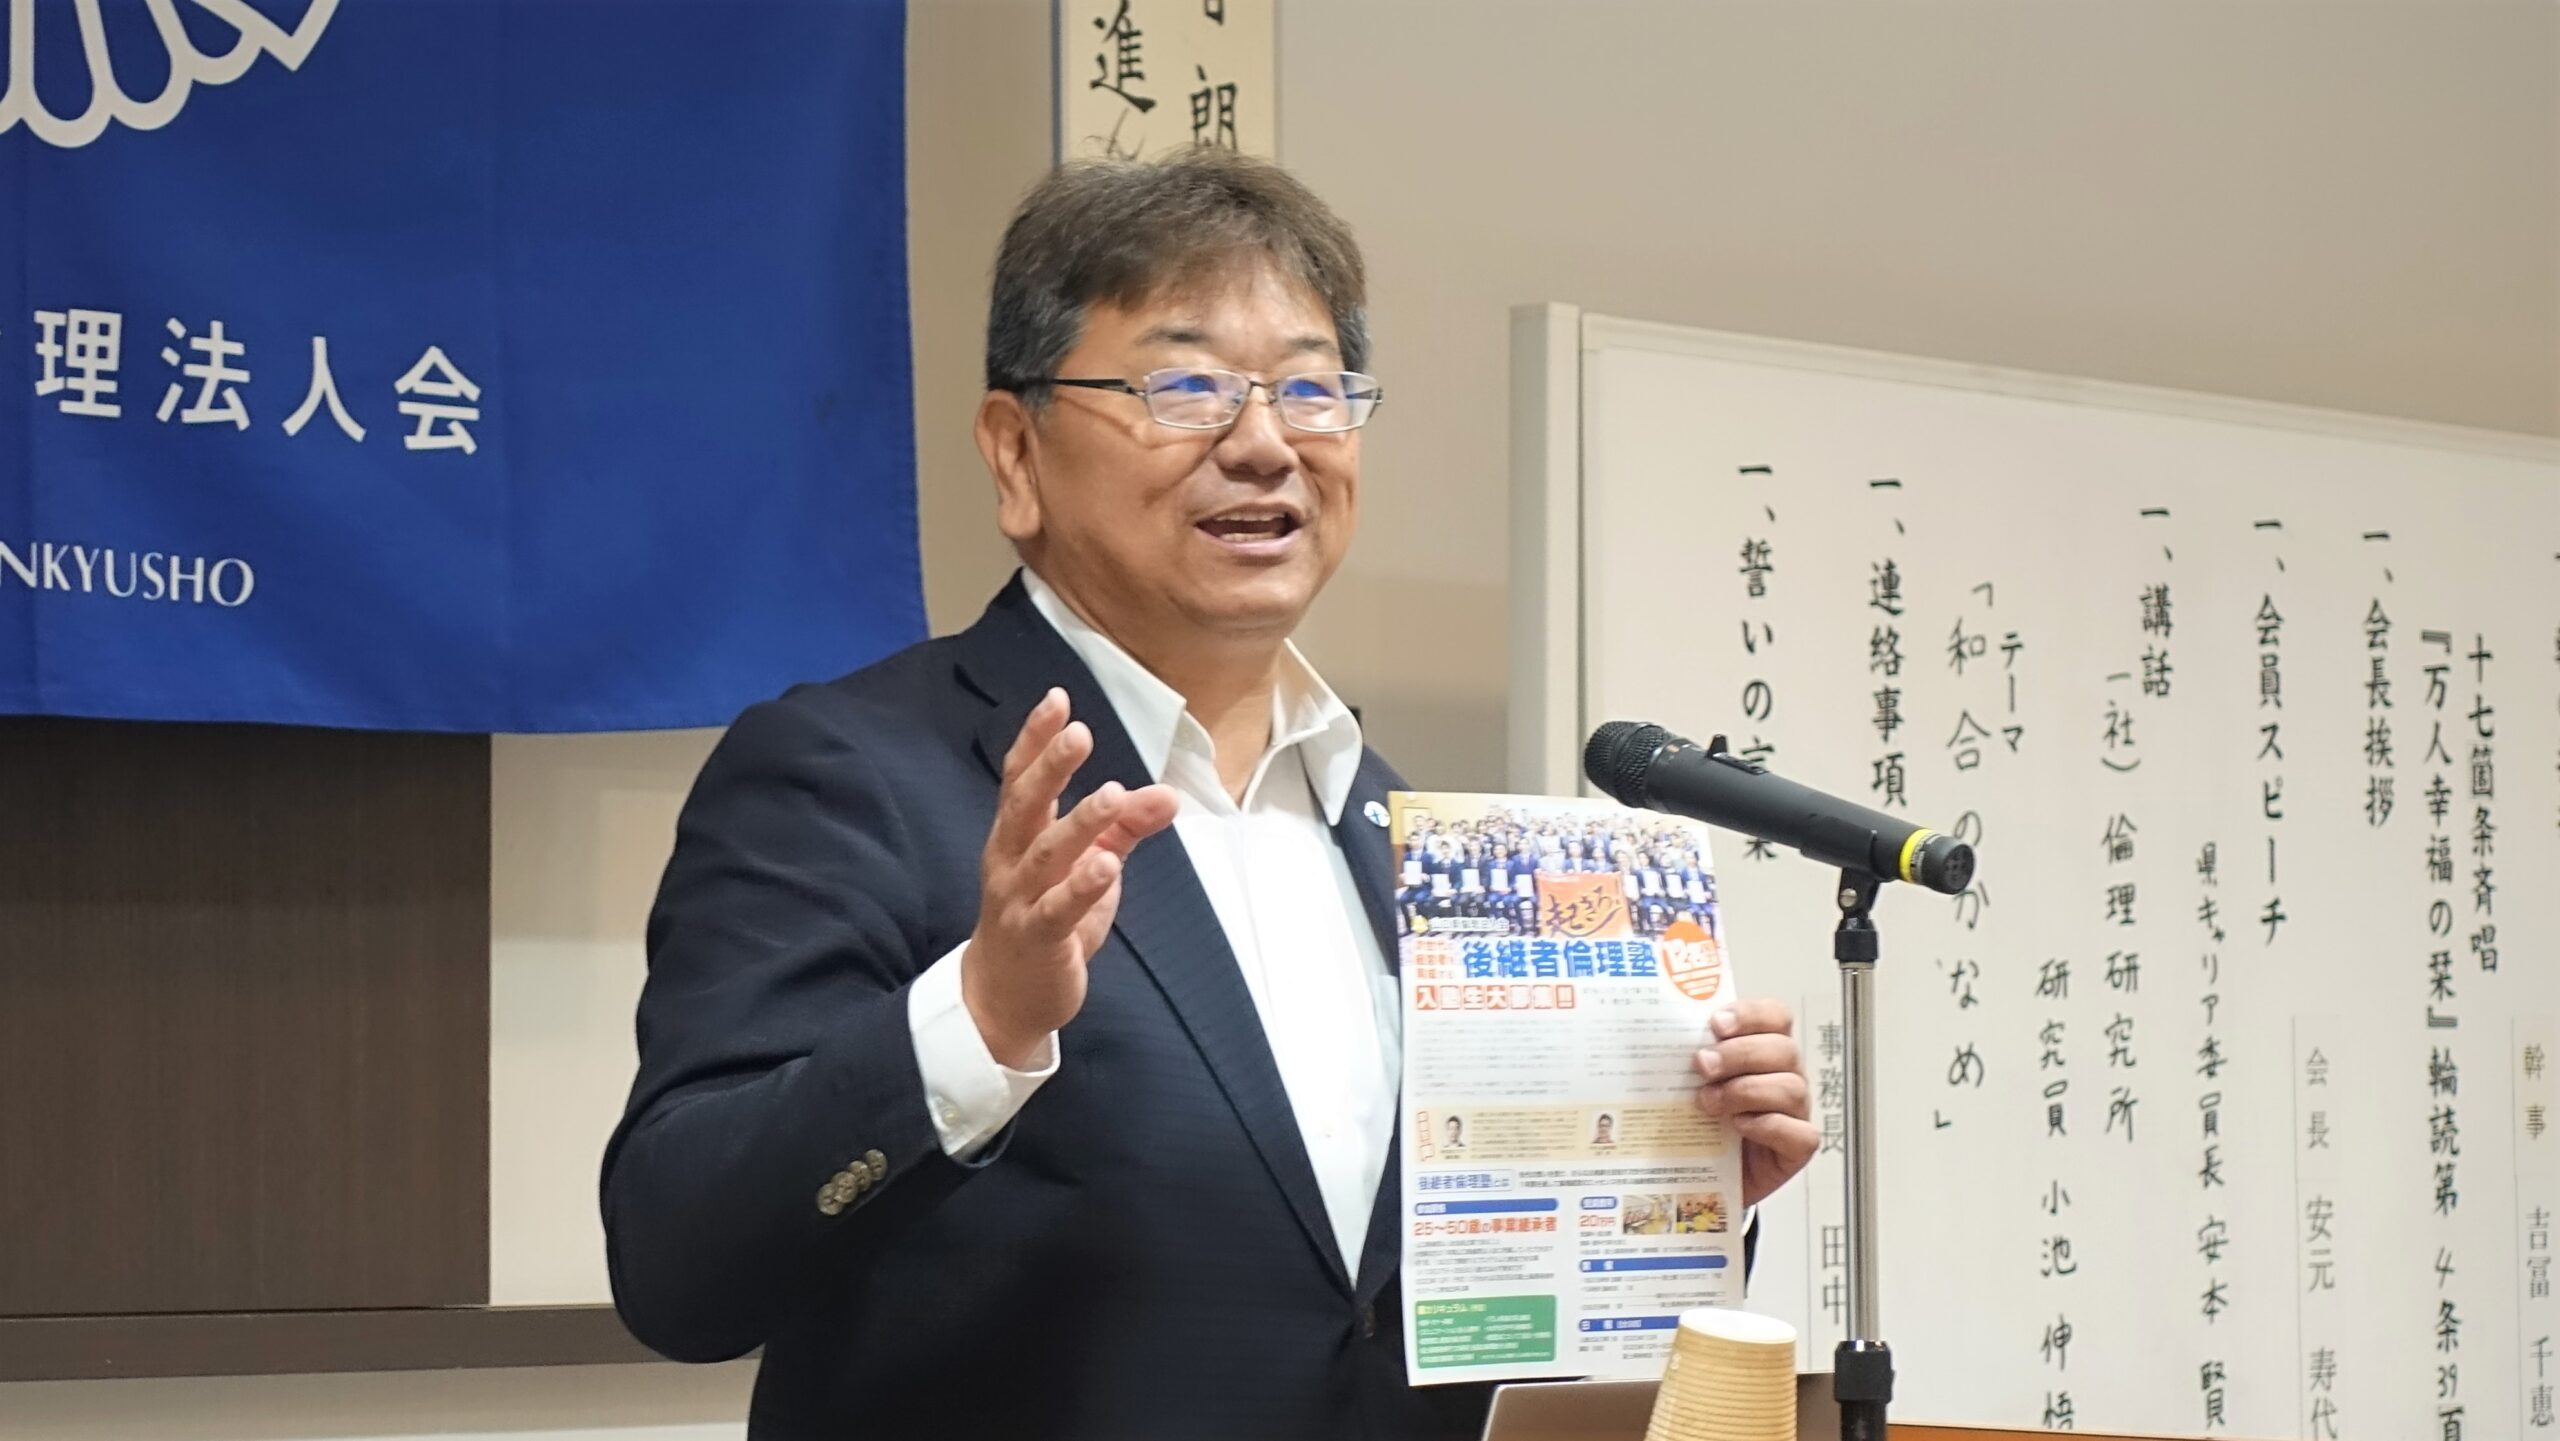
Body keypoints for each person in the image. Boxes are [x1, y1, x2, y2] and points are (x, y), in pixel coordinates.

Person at [600, 149, 1815, 1441]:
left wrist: (1674, 1183)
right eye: (1185, 387)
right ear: (1015, 452)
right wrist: (980, 1018)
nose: (1265, 444)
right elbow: (679, 1263)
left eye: (1311, 389)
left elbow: (1423, 1322)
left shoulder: (1409, 838)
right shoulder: (850, 772)